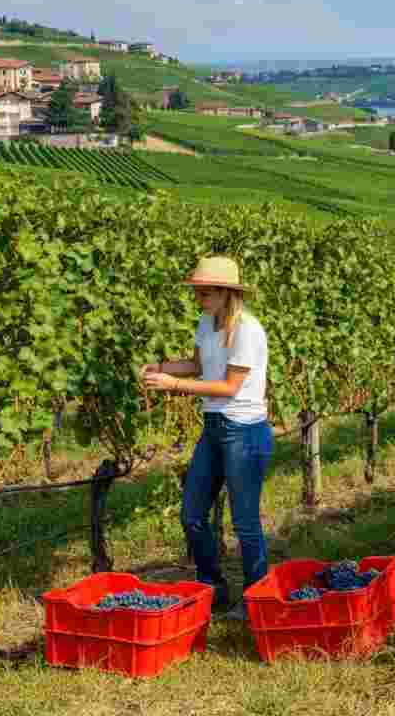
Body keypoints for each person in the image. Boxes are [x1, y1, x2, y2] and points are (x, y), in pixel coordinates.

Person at [140, 256, 272, 621]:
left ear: (227, 293)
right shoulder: (206, 322)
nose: (198, 299)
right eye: (197, 293)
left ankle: (256, 600)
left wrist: (174, 385)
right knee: (192, 514)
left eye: (205, 293)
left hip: (243, 430)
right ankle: (212, 587)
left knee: (245, 522)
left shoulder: (247, 330)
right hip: (215, 427)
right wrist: (162, 368)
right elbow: (199, 367)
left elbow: (229, 387)